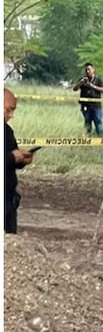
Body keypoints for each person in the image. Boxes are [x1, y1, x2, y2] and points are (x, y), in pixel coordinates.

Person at [5, 88, 34, 234]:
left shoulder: (7, 131)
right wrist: (11, 157)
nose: (11, 115)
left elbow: (10, 159)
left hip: (8, 200)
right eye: (8, 110)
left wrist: (21, 160)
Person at [72, 62, 103, 136]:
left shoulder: (98, 80)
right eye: (86, 70)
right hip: (85, 105)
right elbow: (74, 89)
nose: (87, 71)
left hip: (96, 105)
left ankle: (101, 137)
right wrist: (81, 83)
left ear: (93, 70)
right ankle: (88, 137)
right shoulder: (82, 79)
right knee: (87, 122)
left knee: (98, 121)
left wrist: (92, 86)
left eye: (89, 69)